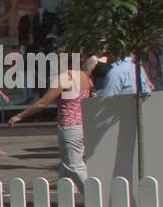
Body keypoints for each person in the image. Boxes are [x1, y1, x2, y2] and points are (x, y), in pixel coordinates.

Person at [9, 53, 99, 191]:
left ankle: (93, 196)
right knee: (67, 163)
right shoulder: (85, 77)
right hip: (83, 123)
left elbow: (43, 103)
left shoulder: (65, 78)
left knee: (74, 165)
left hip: (69, 125)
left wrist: (20, 116)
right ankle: (66, 198)